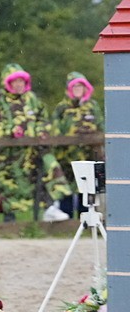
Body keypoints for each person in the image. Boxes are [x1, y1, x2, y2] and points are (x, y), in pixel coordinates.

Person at [0, 64, 69, 223]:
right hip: (7, 155)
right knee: (7, 185)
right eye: (15, 81)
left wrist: (42, 131)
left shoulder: (32, 98)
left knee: (44, 174)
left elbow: (42, 119)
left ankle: (49, 208)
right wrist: (11, 131)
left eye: (21, 81)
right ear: (7, 82)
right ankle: (9, 221)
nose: (19, 85)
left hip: (31, 152)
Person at [52, 71, 104, 217]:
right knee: (66, 193)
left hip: (88, 157)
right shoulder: (62, 107)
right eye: (74, 86)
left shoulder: (93, 106)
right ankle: (66, 221)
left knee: (86, 193)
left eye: (80, 86)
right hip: (66, 158)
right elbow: (55, 130)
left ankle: (85, 221)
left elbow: (101, 126)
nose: (77, 89)